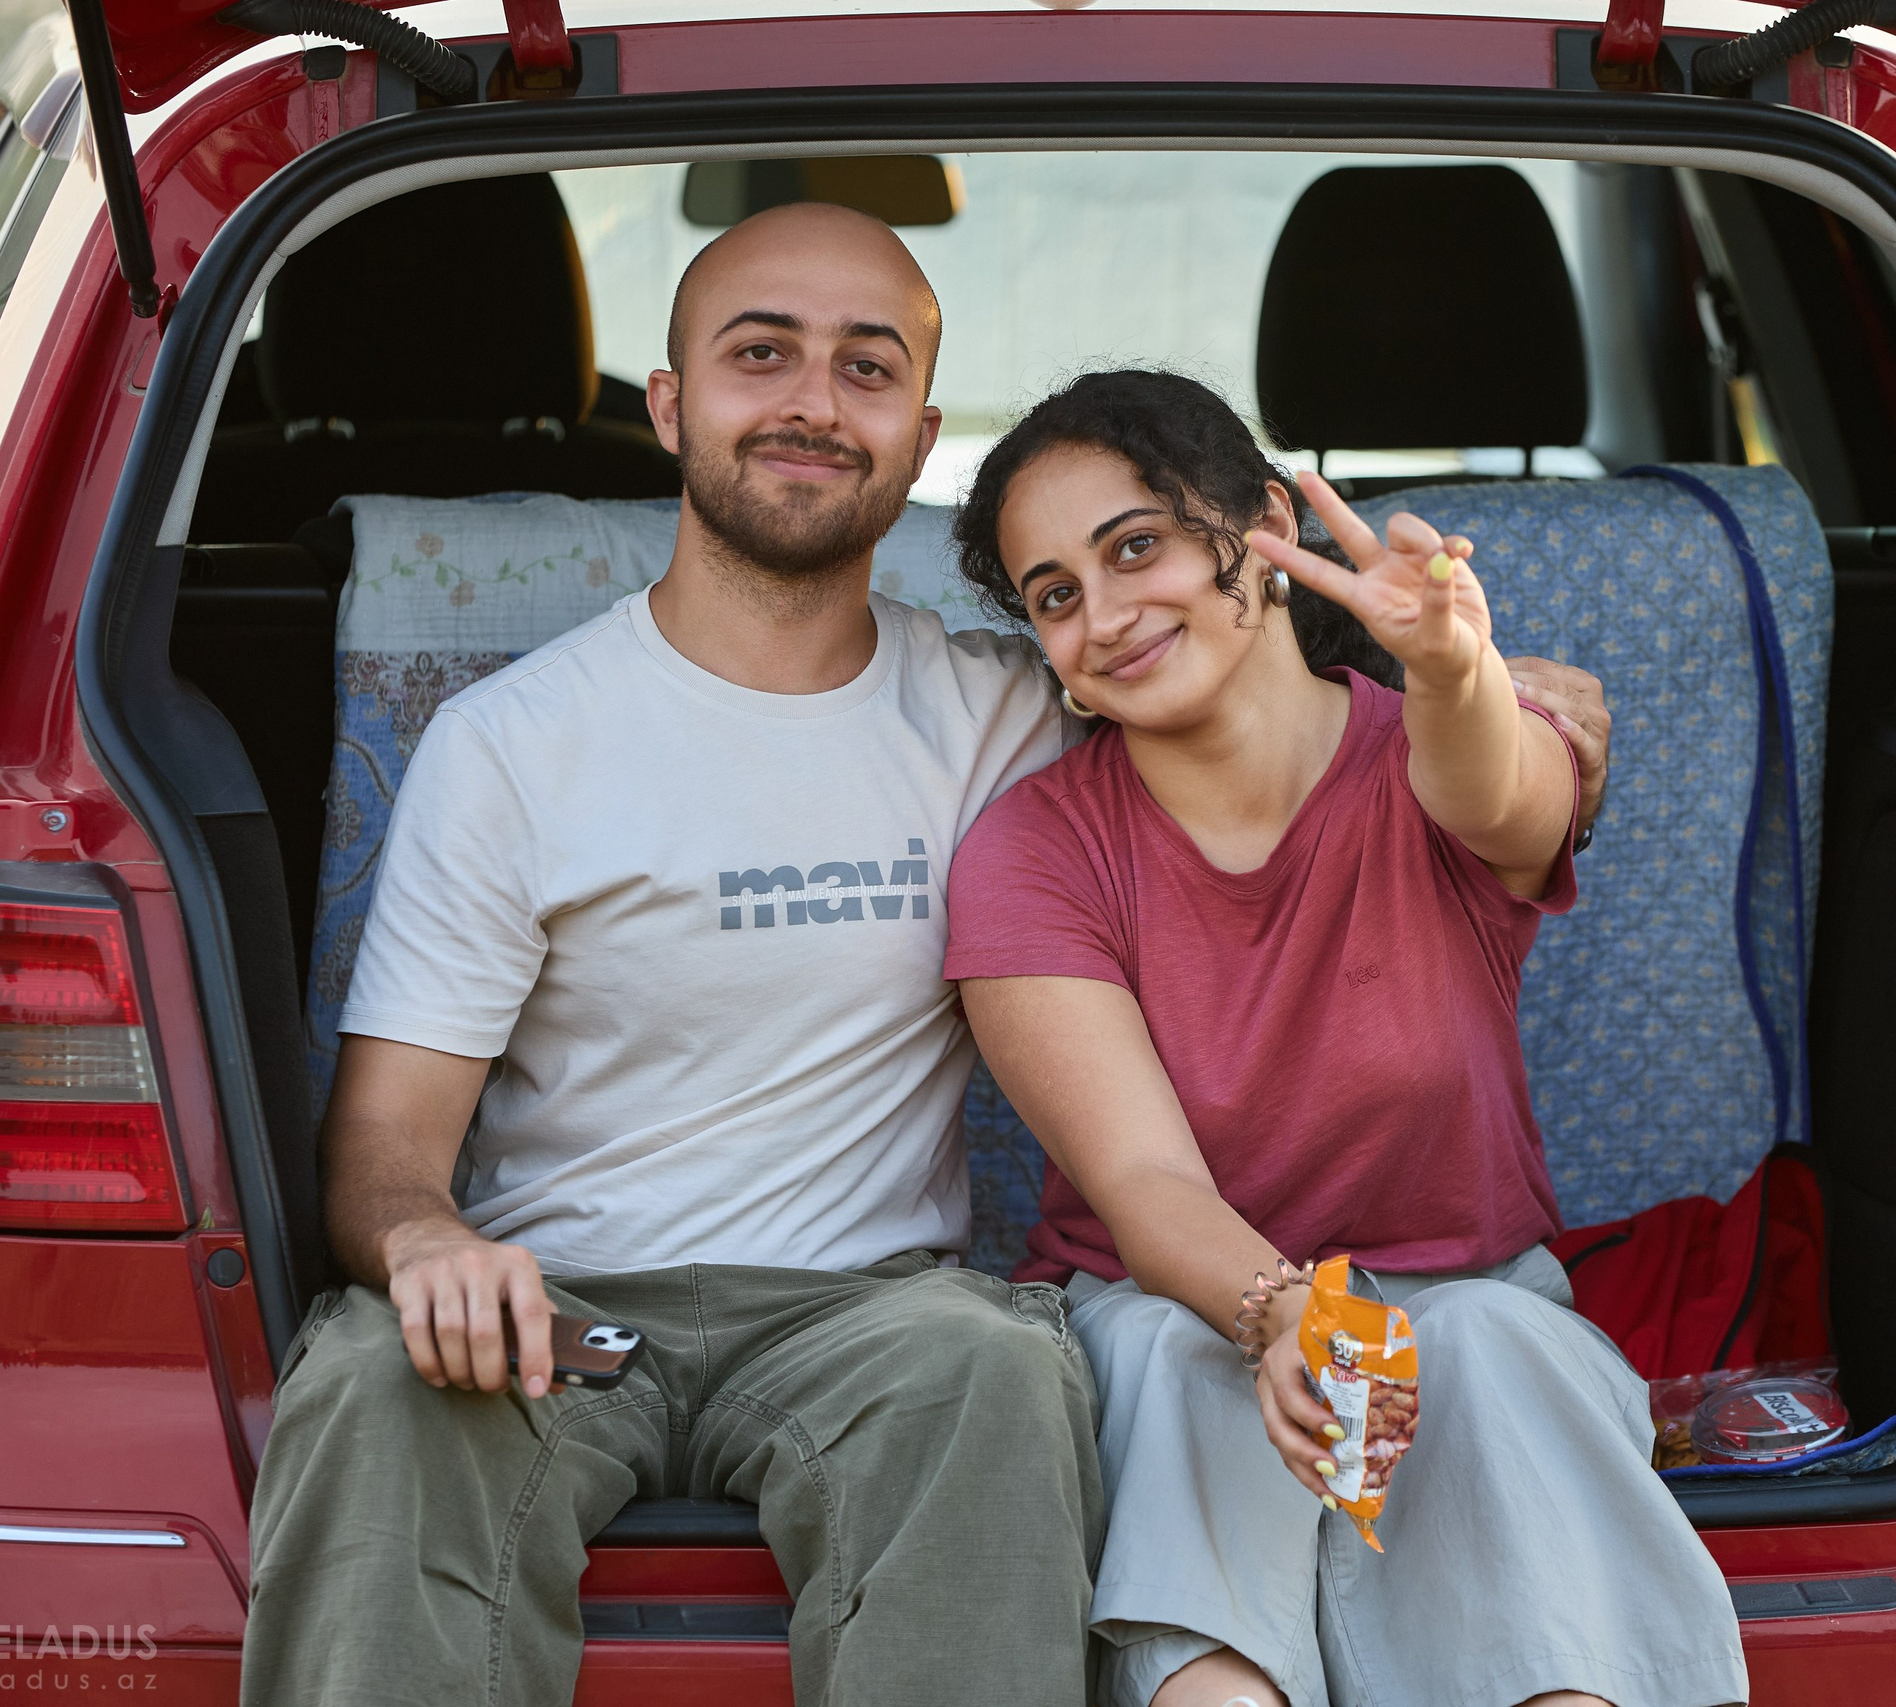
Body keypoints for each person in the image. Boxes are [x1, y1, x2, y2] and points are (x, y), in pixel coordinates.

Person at [239, 203, 1611, 1706]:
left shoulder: (1022, 703)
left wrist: (1492, 689)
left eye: (867, 368)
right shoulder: (509, 744)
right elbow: (383, 1143)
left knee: (996, 1369)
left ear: (917, 433)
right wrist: (427, 1241)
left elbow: (1237, 697)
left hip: (874, 1319)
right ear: (672, 404)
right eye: (762, 355)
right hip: (559, 1299)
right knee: (376, 1380)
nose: (816, 403)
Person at [943, 371, 1746, 1707]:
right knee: (1173, 1366)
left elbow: (1506, 795)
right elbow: (1144, 1186)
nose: (1105, 616)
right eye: (1056, 595)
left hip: (1465, 1302)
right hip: (1184, 1302)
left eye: (1135, 546)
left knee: (1496, 1346)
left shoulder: (1445, 737)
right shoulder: (1032, 850)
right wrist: (1282, 1320)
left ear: (1263, 525)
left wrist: (1450, 666)